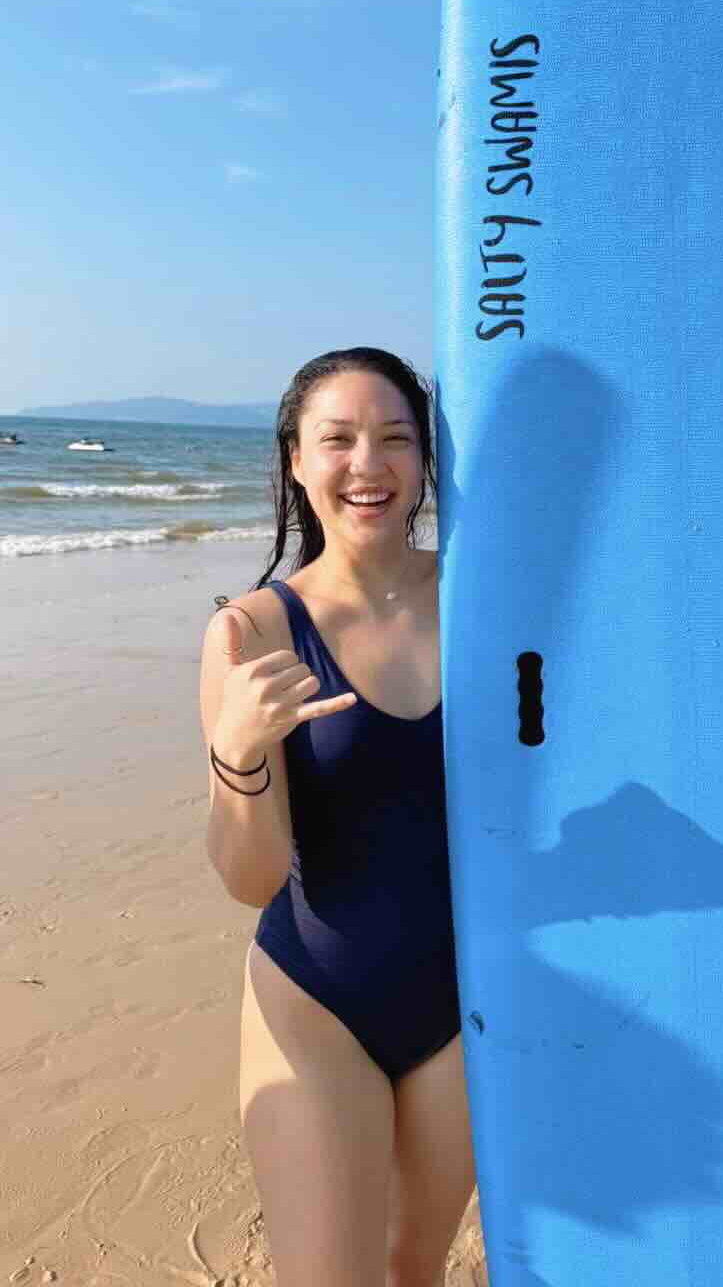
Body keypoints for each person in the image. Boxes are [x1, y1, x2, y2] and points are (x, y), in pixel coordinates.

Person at [199, 347, 475, 1287]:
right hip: (317, 997)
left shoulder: (483, 598)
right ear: (295, 459)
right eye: (338, 439)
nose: (369, 465)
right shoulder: (250, 633)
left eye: (395, 438)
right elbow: (251, 879)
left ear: (425, 459)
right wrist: (239, 749)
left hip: (464, 1000)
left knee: (413, 1269)